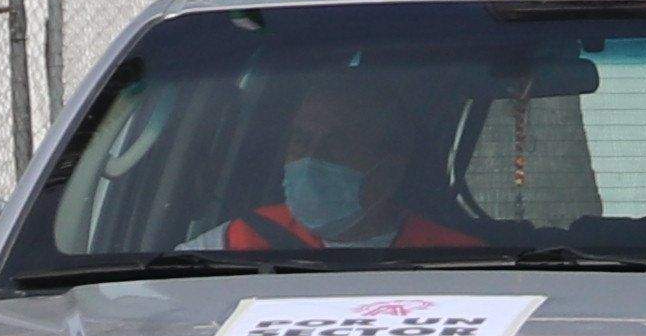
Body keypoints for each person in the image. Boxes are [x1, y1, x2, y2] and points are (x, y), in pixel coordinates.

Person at [206, 70, 485, 256]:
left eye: (337, 145)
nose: (310, 159)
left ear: (389, 170)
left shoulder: (458, 258)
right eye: (301, 141)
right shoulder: (235, 243)